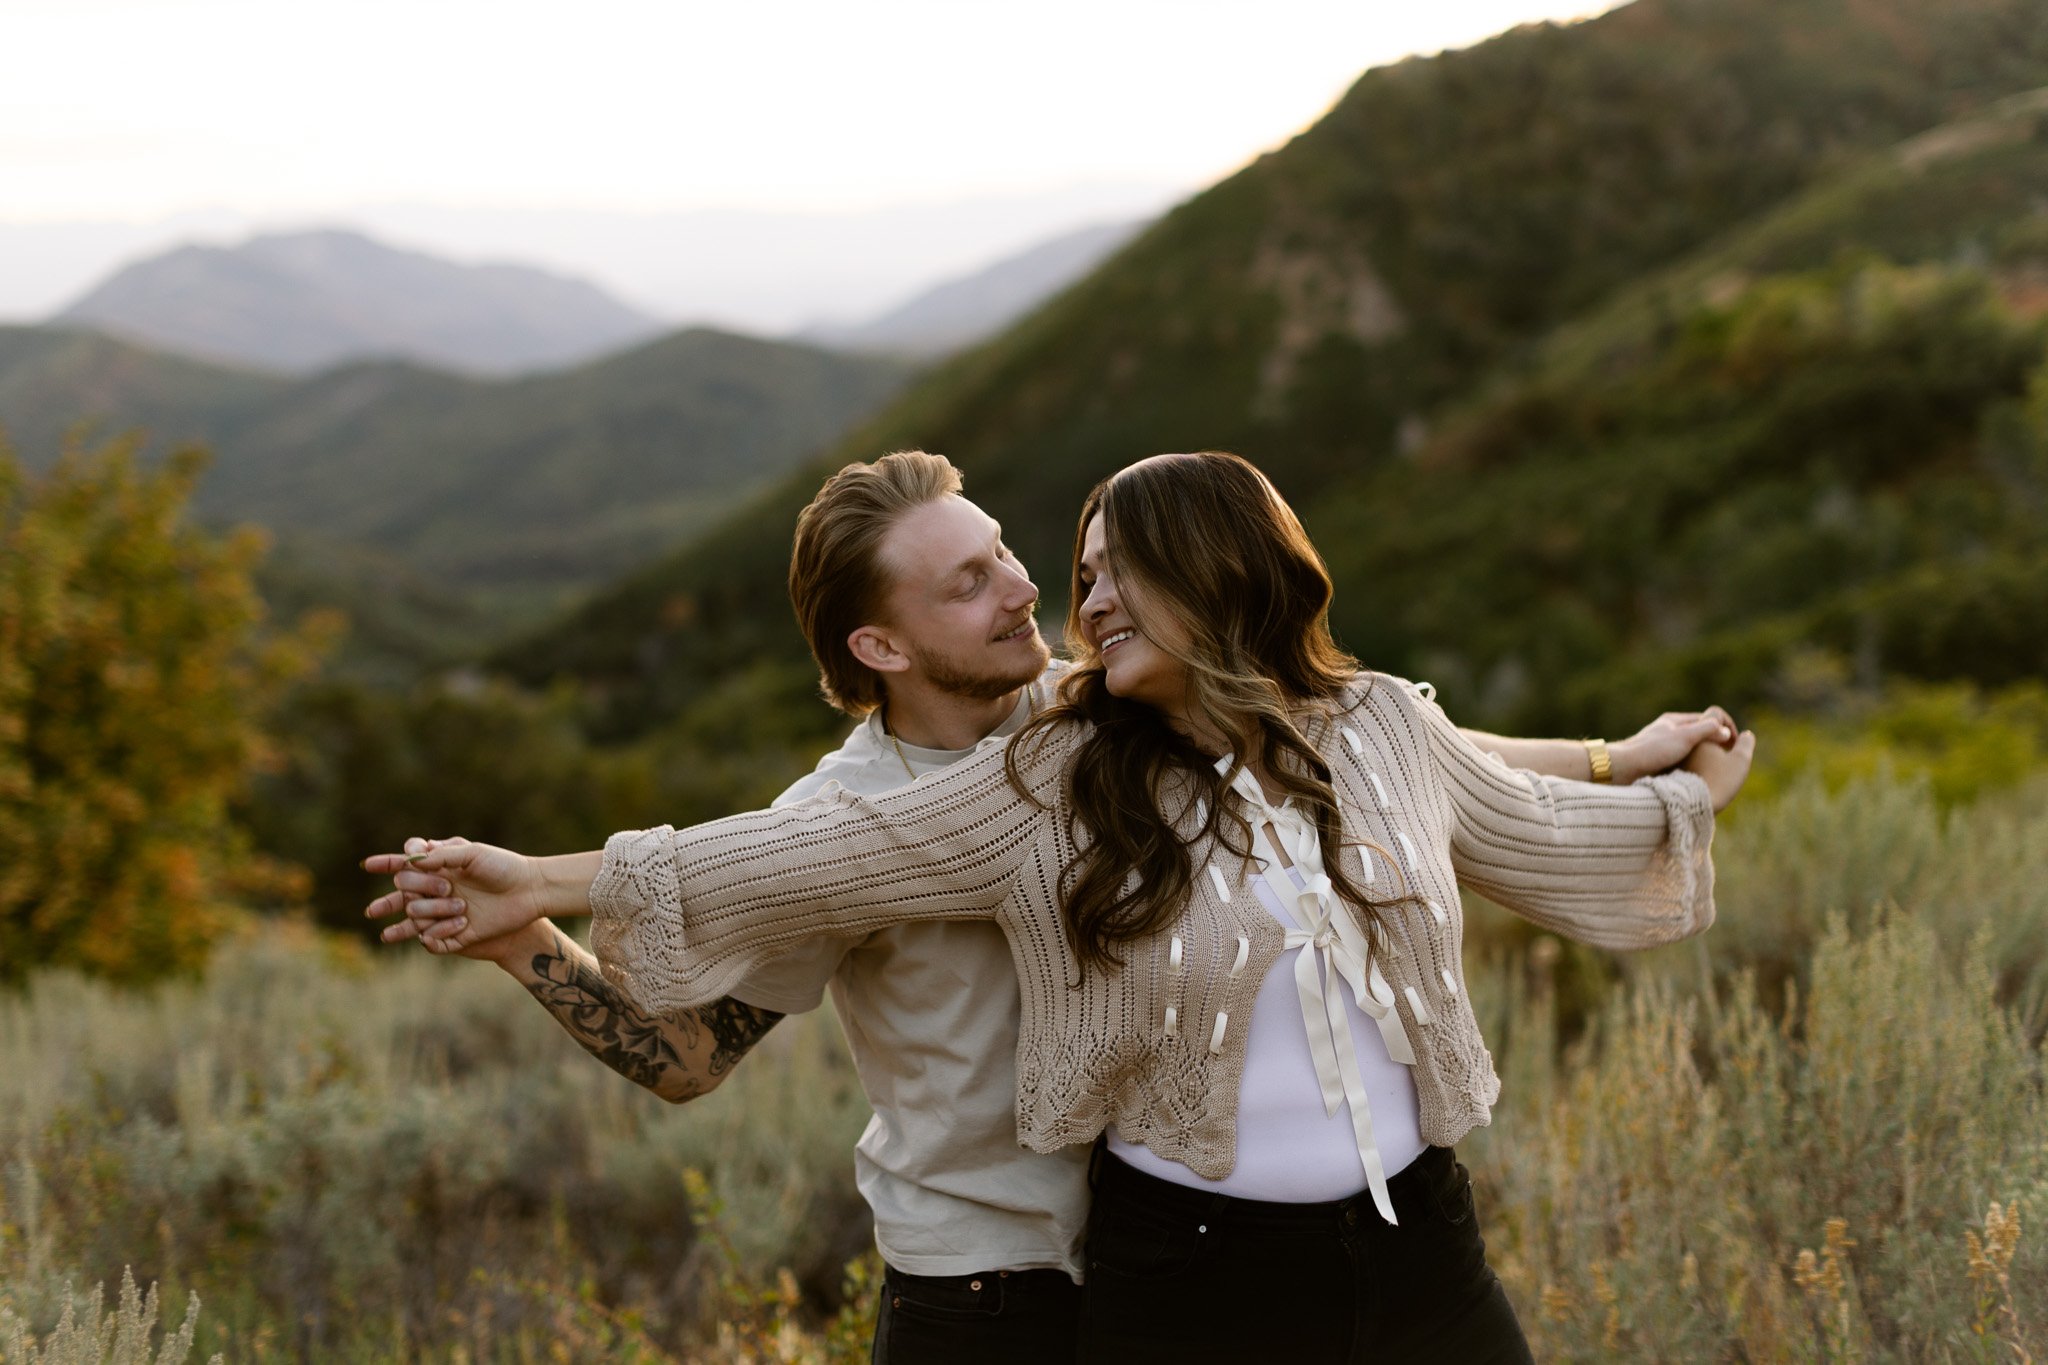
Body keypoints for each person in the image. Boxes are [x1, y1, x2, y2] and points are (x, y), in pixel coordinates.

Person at [370, 450, 1752, 1363]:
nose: (1034, 588)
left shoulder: (1095, 717)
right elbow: (690, 1039)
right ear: (880, 643)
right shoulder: (869, 813)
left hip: (1171, 1238)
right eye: (973, 579)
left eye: (1022, 556)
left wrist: (1606, 760)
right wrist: (532, 921)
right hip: (995, 1284)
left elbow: (1355, 745)